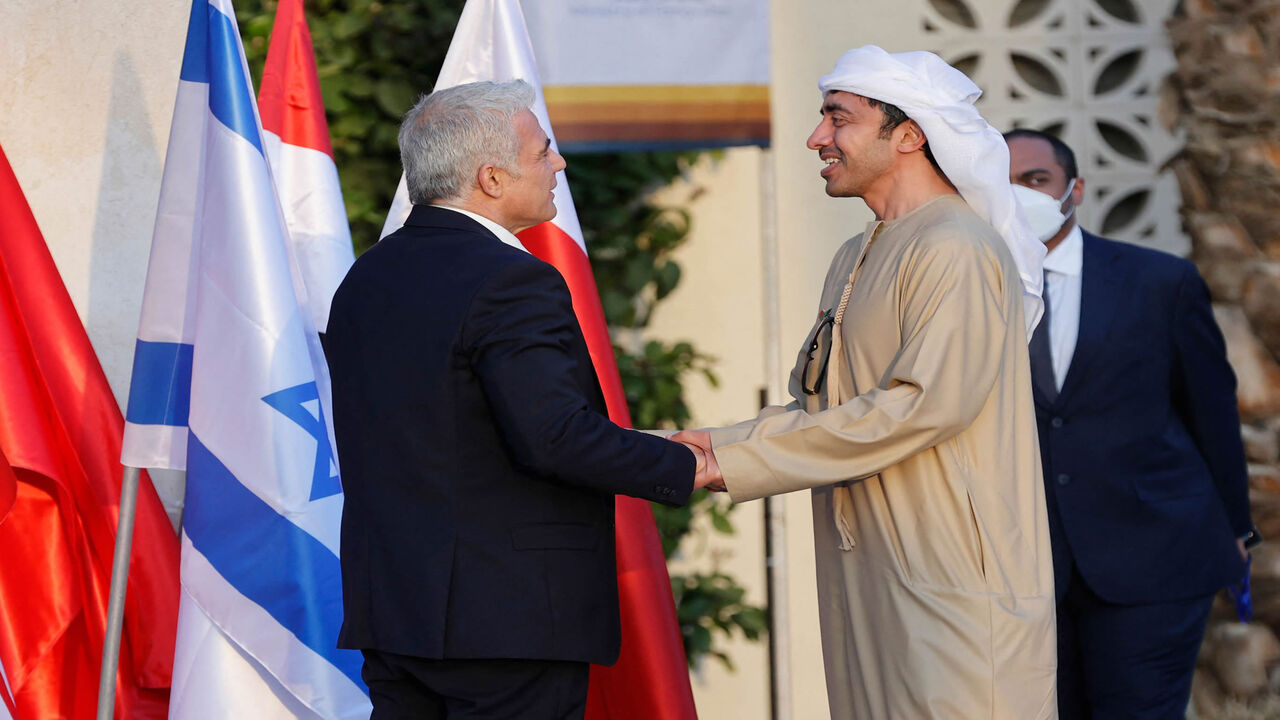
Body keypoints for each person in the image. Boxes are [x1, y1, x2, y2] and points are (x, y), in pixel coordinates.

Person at [675, 46, 1055, 719]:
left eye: (838, 119)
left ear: (908, 135)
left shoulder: (956, 247)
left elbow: (920, 408)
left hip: (954, 589)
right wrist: (706, 446)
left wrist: (728, 459)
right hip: (866, 579)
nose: (817, 138)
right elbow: (824, 406)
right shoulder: (859, 251)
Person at [325, 80, 712, 720]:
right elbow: (552, 436)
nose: (559, 163)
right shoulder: (511, 279)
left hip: (396, 612)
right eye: (543, 151)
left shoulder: (368, 275)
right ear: (492, 178)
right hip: (505, 620)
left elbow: (448, 437)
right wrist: (684, 463)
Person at [1005, 128, 1258, 719]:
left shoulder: (1159, 282)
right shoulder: (969, 288)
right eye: (1005, 183)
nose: (1020, 195)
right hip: (1029, 571)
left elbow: (1211, 411)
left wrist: (1238, 529)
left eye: (1035, 180)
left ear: (1075, 189)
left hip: (1154, 557)